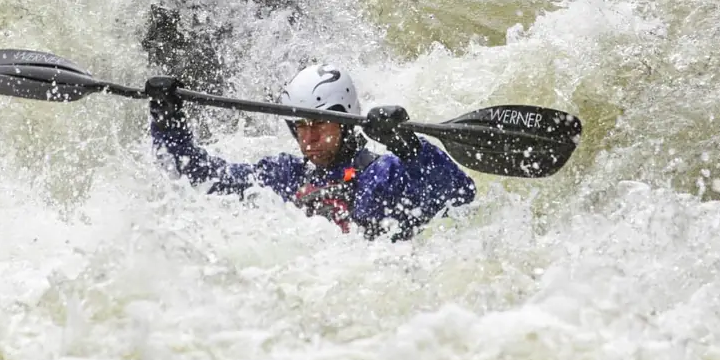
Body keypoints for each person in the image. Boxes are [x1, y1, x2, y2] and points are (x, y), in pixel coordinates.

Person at [145, 63, 477, 240]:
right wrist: (166, 117)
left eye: (318, 124)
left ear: (344, 122)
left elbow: (460, 196)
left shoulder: (382, 174)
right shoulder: (284, 176)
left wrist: (410, 147)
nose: (308, 138)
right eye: (300, 126)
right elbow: (198, 175)